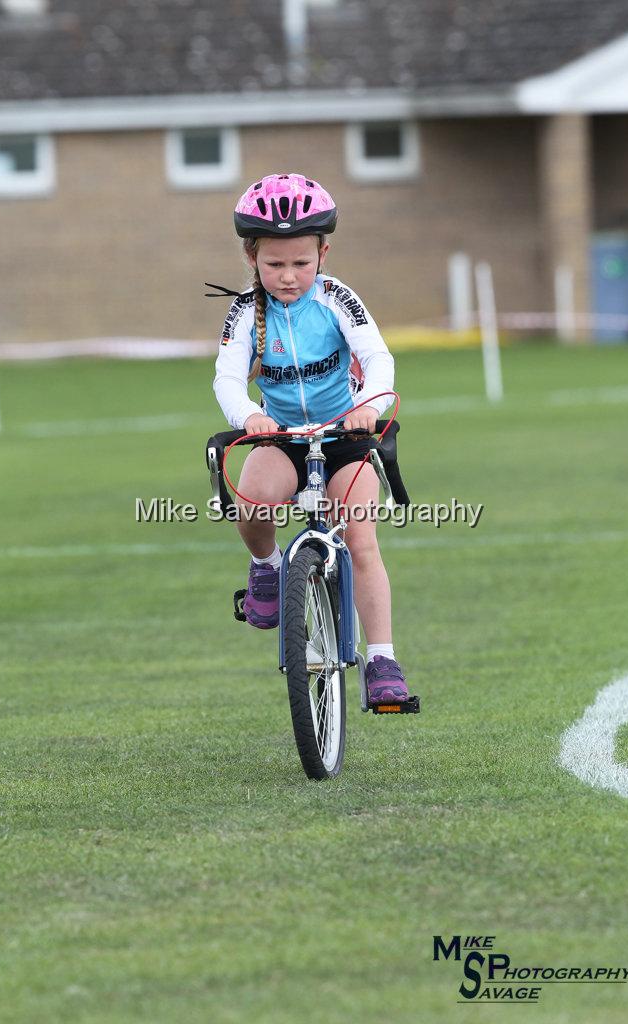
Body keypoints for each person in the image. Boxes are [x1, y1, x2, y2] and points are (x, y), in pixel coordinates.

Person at [213, 172, 409, 705]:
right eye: (274, 264)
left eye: (301, 263)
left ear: (324, 252)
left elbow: (377, 358)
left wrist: (371, 406)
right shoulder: (244, 312)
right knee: (252, 501)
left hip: (346, 436)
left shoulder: (337, 298)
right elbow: (228, 377)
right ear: (252, 257)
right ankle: (268, 567)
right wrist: (250, 415)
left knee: (362, 539)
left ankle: (382, 660)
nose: (289, 276)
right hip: (282, 438)